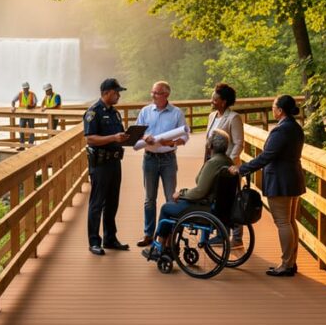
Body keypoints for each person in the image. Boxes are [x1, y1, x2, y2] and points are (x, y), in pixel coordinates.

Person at [229, 95, 306, 277]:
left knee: (283, 222)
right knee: (289, 221)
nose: (272, 109)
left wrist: (242, 169)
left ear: (280, 110)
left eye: (273, 107)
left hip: (280, 180)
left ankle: (286, 265)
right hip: (293, 177)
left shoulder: (281, 130)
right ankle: (290, 262)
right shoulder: (296, 127)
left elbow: (266, 156)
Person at [142, 130, 232, 258]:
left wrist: (182, 193)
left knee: (167, 208)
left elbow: (200, 191)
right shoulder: (228, 161)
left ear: (210, 145)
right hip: (217, 205)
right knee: (175, 206)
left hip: (205, 206)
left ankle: (161, 247)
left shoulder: (213, 163)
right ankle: (169, 245)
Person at [135, 81, 189, 248]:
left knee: (170, 199)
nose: (153, 95)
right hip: (149, 158)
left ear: (166, 95)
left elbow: (185, 136)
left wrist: (174, 142)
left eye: (157, 93)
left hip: (168, 159)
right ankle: (148, 235)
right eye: (152, 92)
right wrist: (145, 137)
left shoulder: (176, 113)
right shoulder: (145, 111)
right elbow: (136, 133)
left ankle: (168, 236)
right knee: (149, 199)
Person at [83, 78, 131, 255]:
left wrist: (127, 137)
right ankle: (94, 242)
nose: (119, 95)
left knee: (112, 202)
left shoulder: (115, 113)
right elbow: (90, 138)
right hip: (101, 164)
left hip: (115, 162)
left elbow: (119, 134)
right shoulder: (93, 112)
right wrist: (113, 138)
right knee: (97, 203)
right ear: (106, 93)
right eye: (116, 92)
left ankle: (110, 238)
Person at [205, 82, 245, 247]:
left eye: (215, 99)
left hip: (228, 166)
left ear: (224, 101)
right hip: (213, 164)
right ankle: (221, 234)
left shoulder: (233, 118)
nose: (212, 101)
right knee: (218, 199)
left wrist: (229, 162)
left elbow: (239, 143)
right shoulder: (212, 116)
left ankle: (237, 238)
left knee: (232, 199)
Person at [11, 81, 38, 151]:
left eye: (26, 88)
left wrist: (31, 106)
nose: (25, 89)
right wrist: (13, 107)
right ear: (23, 88)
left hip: (31, 114)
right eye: (24, 88)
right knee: (21, 129)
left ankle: (30, 145)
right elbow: (13, 101)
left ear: (28, 88)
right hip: (22, 115)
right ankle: (22, 146)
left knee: (31, 129)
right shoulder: (20, 94)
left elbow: (35, 103)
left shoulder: (32, 94)